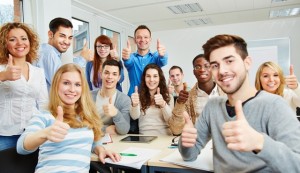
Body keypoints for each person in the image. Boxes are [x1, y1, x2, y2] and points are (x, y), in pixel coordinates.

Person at [179, 34, 300, 172]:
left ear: (247, 63)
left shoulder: (275, 105)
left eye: (229, 61)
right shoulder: (212, 106)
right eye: (215, 65)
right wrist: (186, 142)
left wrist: (259, 142)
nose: (222, 71)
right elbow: (189, 156)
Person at [17, 63, 120, 172]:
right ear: (57, 85)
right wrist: (45, 133)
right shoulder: (45, 115)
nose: (72, 89)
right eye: (66, 83)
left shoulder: (85, 116)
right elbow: (21, 146)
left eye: (77, 84)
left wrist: (100, 150)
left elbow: (93, 141)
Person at [0, 22, 48, 151]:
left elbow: (44, 104)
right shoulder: (1, 69)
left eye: (23, 38)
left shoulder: (38, 72)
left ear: (30, 42)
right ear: (5, 44)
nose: (20, 43)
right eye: (12, 39)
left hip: (32, 133)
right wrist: (3, 76)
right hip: (4, 135)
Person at [168, 54, 224, 135]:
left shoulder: (226, 92)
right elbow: (176, 130)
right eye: (197, 67)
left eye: (206, 66)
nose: (202, 70)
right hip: (199, 143)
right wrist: (179, 104)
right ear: (194, 72)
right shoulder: (188, 97)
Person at [35, 17, 92, 91]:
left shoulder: (47, 51)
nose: (67, 42)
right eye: (62, 36)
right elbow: (63, 82)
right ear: (50, 34)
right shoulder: (49, 53)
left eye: (70, 37)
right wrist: (82, 58)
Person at [122, 25, 168, 96]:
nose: (142, 40)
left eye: (146, 37)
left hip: (152, 99)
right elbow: (128, 62)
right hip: (134, 99)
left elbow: (163, 61)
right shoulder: (131, 57)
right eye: (139, 37)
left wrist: (163, 55)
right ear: (135, 40)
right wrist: (126, 58)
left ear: (150, 39)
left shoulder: (155, 56)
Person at [130, 64, 174, 135]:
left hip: (165, 138)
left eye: (155, 76)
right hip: (145, 139)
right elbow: (134, 117)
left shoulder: (169, 97)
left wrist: (163, 104)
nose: (151, 79)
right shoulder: (138, 97)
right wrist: (134, 104)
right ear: (144, 78)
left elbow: (171, 120)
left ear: (160, 78)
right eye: (148, 76)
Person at [91, 59, 130, 135]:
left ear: (119, 78)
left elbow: (124, 130)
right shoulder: (89, 97)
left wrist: (116, 113)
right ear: (101, 74)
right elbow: (82, 124)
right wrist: (105, 129)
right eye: (106, 73)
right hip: (91, 140)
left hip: (114, 142)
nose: (110, 77)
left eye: (114, 74)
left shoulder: (124, 100)